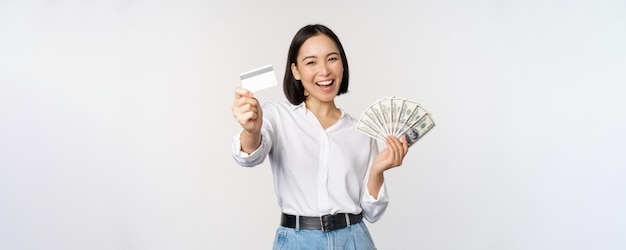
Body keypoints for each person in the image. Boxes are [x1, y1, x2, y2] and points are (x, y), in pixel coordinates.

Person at [231, 24, 409, 250]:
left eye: (332, 59)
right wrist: (251, 130)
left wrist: (377, 170)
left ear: (342, 65)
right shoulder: (278, 116)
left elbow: (373, 213)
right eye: (311, 62)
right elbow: (248, 157)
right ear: (296, 71)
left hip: (354, 240)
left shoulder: (362, 131)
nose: (324, 71)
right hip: (298, 242)